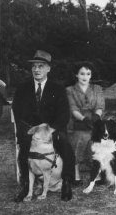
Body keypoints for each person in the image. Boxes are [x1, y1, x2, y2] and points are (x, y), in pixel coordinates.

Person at [12, 50, 75, 202]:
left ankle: (66, 181)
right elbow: (17, 111)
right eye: (34, 66)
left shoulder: (58, 89)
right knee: (25, 143)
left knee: (65, 143)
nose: (37, 69)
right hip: (30, 130)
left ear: (48, 69)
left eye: (41, 66)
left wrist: (51, 130)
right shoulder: (22, 88)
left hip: (51, 129)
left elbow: (64, 114)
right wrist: (29, 130)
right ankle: (27, 186)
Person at [66, 62, 104, 186]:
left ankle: (97, 174)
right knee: (80, 139)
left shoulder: (97, 89)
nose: (85, 76)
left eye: (88, 74)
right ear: (76, 75)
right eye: (82, 73)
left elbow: (100, 106)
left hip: (95, 121)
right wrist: (84, 119)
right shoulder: (70, 90)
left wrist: (96, 117)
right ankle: (76, 175)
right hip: (77, 122)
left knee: (97, 140)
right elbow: (73, 109)